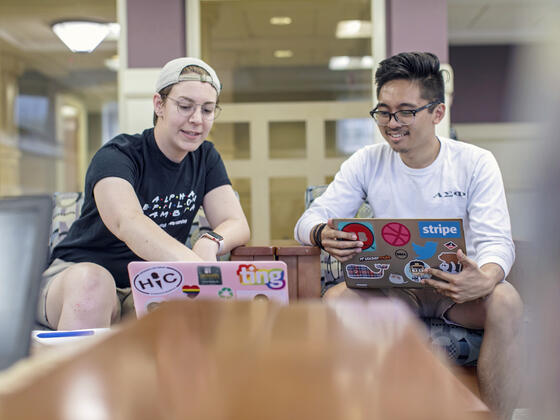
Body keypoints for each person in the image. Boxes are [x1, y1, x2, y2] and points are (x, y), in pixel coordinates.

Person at [294, 52, 523, 420]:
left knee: (507, 301)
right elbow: (310, 218)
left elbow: (497, 241)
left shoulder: (475, 162)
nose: (391, 123)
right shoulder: (367, 161)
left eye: (405, 111)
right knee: (338, 300)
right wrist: (321, 234)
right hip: (394, 292)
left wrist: (486, 277)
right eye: (383, 111)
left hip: (459, 293)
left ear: (437, 113)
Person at [39, 57, 250, 331]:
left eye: (207, 110)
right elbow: (127, 222)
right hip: (76, 276)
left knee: (178, 312)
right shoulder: (118, 155)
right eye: (185, 106)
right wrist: (197, 271)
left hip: (146, 283)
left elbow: (237, 223)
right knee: (94, 285)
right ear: (159, 104)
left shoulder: (205, 157)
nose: (197, 120)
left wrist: (209, 242)